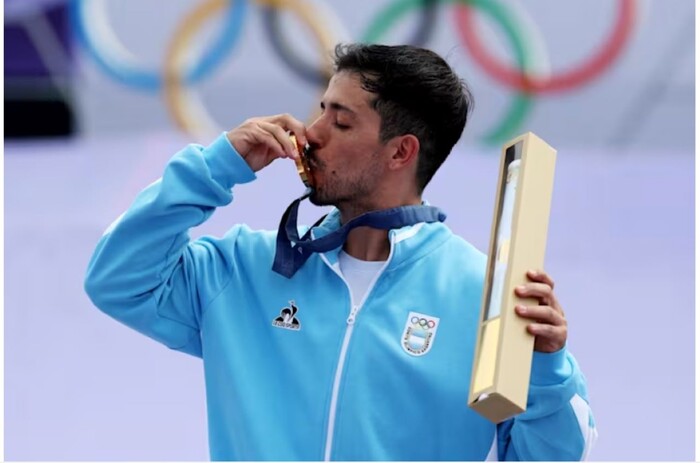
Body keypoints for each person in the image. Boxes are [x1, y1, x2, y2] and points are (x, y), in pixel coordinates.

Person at [85, 43, 597, 461]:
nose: (312, 135)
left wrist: (549, 371)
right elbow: (117, 277)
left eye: (342, 122)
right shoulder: (242, 269)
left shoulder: (483, 296)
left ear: (401, 152)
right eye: (321, 111)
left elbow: (553, 457)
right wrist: (216, 167)